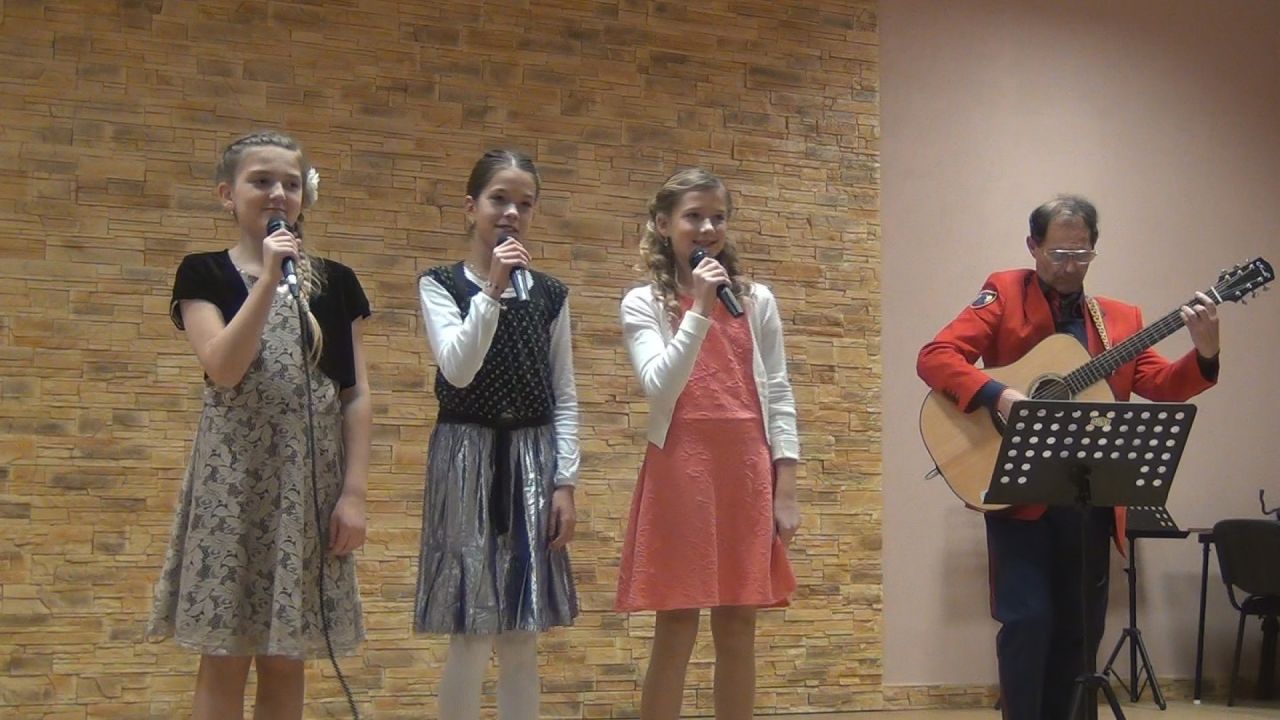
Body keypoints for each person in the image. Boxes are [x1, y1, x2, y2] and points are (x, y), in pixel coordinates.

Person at [917, 195, 1221, 720]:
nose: (1070, 266)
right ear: (1033, 246)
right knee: (1028, 621)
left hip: (1088, 497)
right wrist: (999, 396)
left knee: (1081, 633)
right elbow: (936, 356)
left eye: (1082, 254)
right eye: (1058, 254)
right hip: (1019, 496)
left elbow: (1164, 385)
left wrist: (1206, 352)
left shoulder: (1121, 320)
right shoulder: (1004, 294)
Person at [148, 130, 371, 720]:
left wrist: (353, 493)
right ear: (228, 194)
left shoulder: (337, 283)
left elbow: (354, 395)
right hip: (233, 487)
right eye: (262, 181)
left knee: (285, 655)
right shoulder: (204, 273)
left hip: (307, 489)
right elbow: (223, 368)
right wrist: (269, 279)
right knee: (224, 654)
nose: (278, 194)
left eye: (291, 184)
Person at [616, 168, 801, 719]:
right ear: (663, 224)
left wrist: (786, 486)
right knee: (676, 622)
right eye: (693, 216)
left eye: (717, 217)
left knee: (739, 623)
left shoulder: (756, 300)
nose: (707, 228)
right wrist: (699, 307)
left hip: (746, 468)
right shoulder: (643, 302)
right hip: (681, 467)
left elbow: (778, 390)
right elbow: (660, 385)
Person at [413, 149, 580, 720]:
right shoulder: (441, 285)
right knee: (471, 630)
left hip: (533, 460)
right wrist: (491, 291)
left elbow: (564, 392)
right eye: (499, 200)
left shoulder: (550, 295)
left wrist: (565, 481)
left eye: (524, 204)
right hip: (465, 456)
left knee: (520, 636)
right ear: (471, 207)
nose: (511, 213)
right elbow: (458, 368)